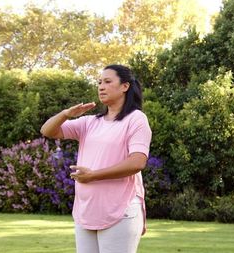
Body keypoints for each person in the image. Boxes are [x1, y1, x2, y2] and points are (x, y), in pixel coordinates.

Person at [40, 64, 152, 253]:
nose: (101, 86)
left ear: (125, 86)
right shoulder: (90, 122)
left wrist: (93, 175)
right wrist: (66, 114)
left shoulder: (136, 119)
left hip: (120, 210)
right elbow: (48, 131)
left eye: (108, 82)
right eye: (99, 82)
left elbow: (138, 162)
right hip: (86, 211)